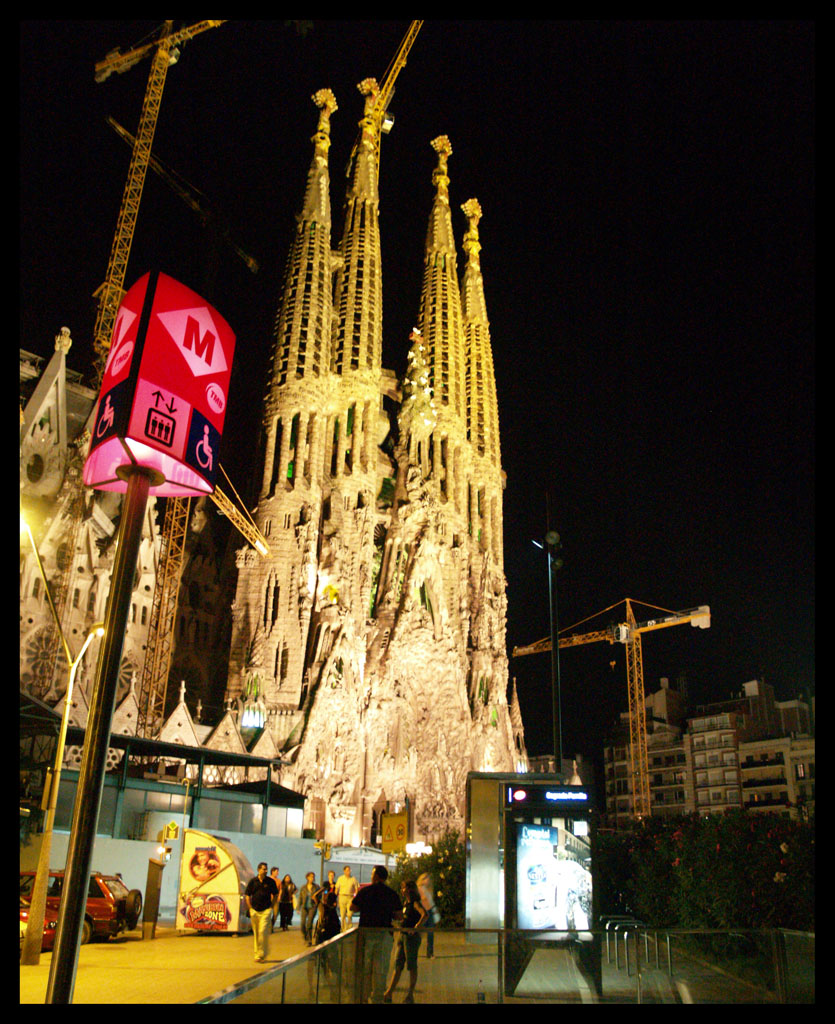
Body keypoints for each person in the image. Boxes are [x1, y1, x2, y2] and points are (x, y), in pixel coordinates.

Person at [351, 865, 402, 1004]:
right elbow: (399, 915)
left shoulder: (365, 891)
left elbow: (353, 907)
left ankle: (363, 997)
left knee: (364, 969)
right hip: (384, 935)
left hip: (365, 934)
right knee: (380, 971)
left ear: (376, 876)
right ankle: (377, 999)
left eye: (373, 874)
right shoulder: (392, 893)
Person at [384, 879, 427, 1003]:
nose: (402, 890)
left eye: (403, 888)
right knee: (398, 964)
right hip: (403, 936)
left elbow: (425, 914)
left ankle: (410, 994)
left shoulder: (414, 903)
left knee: (411, 965)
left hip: (411, 938)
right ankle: (389, 993)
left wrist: (417, 927)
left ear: (408, 889)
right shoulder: (406, 903)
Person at [244, 861, 279, 963]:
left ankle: (262, 953)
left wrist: (271, 906)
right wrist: (250, 907)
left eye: (266, 869)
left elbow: (276, 894)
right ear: (258, 870)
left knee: (262, 931)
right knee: (256, 933)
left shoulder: (270, 882)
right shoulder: (253, 881)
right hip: (254, 910)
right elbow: (247, 895)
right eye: (264, 869)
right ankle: (257, 955)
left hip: (266, 910)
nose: (266, 871)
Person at [416, 872, 437, 958]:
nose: (427, 880)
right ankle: (413, 951)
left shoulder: (429, 889)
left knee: (430, 933)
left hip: (430, 912)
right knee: (418, 933)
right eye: (425, 878)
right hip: (422, 913)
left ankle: (430, 953)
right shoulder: (419, 889)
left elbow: (431, 902)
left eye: (428, 878)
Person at [335, 865, 360, 931]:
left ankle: (349, 928)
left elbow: (356, 888)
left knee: (349, 914)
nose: (348, 872)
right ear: (344, 871)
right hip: (342, 897)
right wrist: (335, 898)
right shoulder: (340, 878)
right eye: (347, 870)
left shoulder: (353, 878)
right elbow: (337, 888)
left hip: (350, 897)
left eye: (349, 870)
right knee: (342, 915)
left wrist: (356, 897)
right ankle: (343, 929)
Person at [298, 871, 319, 945]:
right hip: (304, 907)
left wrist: (317, 903)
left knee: (309, 923)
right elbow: (300, 897)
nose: (312, 878)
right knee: (302, 924)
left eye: (313, 877)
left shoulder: (316, 887)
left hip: (312, 907)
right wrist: (298, 907)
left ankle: (309, 940)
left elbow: (320, 897)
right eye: (310, 877)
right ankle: (305, 937)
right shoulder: (303, 887)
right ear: (307, 877)